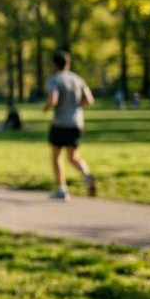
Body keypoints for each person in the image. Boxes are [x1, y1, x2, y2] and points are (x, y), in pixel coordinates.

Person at [43, 51, 97, 200]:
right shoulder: (77, 79)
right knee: (72, 156)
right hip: (76, 122)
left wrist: (46, 107)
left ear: (54, 65)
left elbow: (53, 99)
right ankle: (87, 176)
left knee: (56, 155)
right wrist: (75, 105)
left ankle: (61, 188)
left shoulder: (54, 79)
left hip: (60, 123)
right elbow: (89, 100)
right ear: (68, 64)